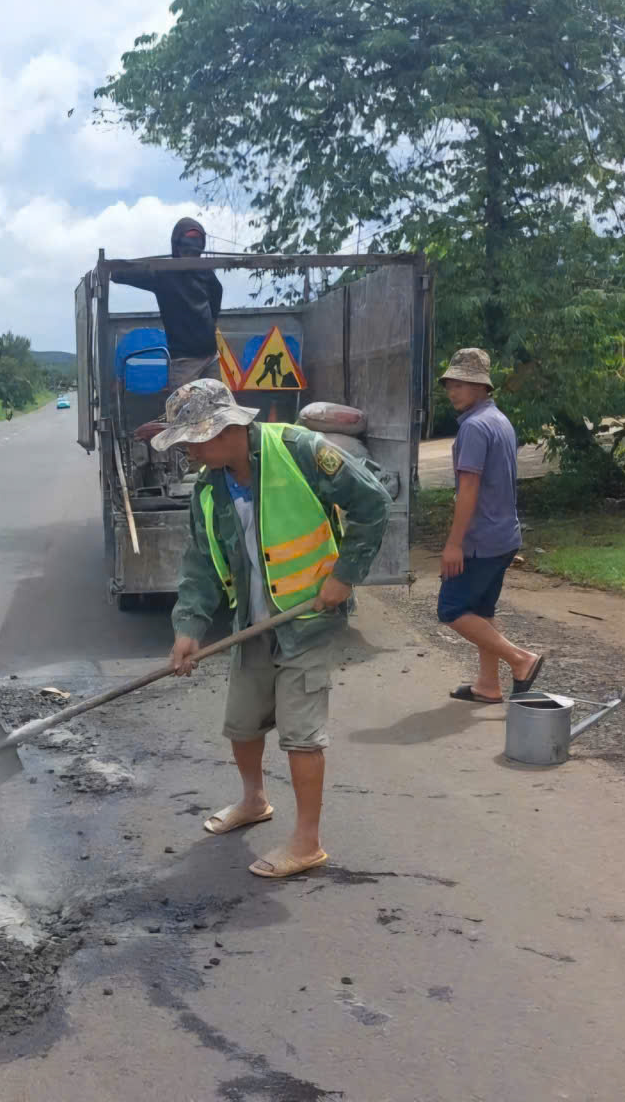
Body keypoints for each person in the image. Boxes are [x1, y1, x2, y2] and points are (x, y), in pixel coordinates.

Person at [152, 379, 391, 878]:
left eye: (194, 440)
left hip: (307, 620)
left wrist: (345, 576)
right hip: (253, 621)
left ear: (228, 428)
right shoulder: (208, 490)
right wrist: (189, 628)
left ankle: (307, 842)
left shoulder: (299, 450)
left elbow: (372, 502)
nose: (189, 452)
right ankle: (254, 800)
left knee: (301, 734)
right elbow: (200, 564)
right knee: (242, 723)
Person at [437, 349, 544, 703]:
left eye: (462, 384)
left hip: (480, 539)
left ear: (481, 386)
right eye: (451, 384)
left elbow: (468, 489)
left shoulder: (474, 427)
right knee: (482, 610)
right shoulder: (498, 419)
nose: (453, 390)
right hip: (504, 535)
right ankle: (488, 685)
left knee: (451, 610)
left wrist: (454, 544)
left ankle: (521, 659)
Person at [111, 218, 223, 388]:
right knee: (185, 412)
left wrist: (114, 271)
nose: (191, 254)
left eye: (195, 250)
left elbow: (216, 297)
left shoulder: (204, 273)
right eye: (187, 249)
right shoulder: (163, 274)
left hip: (210, 356)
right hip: (185, 360)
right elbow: (124, 274)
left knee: (215, 410)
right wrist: (113, 271)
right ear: (177, 247)